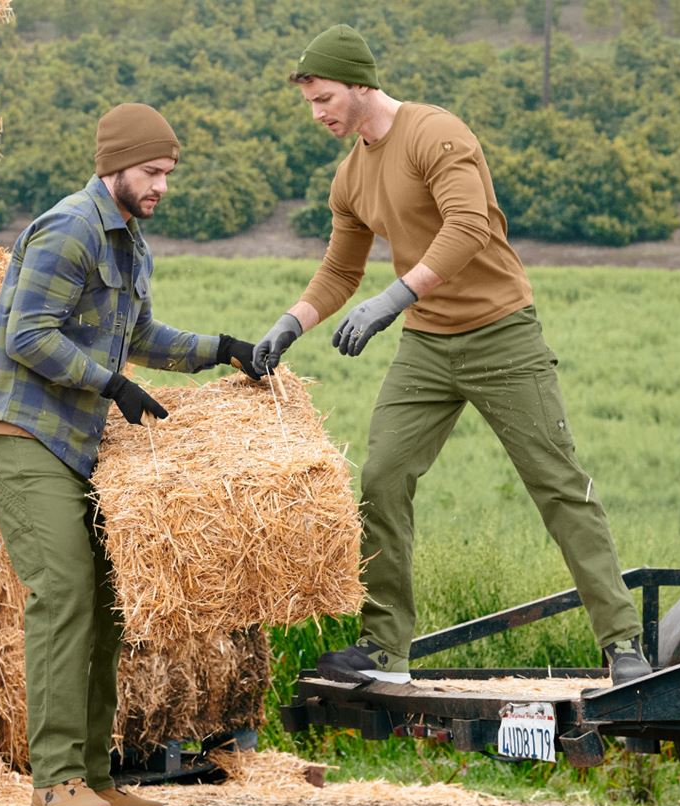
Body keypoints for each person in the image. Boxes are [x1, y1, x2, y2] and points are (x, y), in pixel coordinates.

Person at [253, 25, 652, 688]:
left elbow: (467, 228)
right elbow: (339, 271)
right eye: (309, 104)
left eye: (325, 98)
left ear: (360, 84)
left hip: (502, 334)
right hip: (427, 347)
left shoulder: (437, 134)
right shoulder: (351, 174)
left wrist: (392, 301)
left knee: (558, 485)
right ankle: (387, 652)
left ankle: (623, 645)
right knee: (382, 475)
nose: (318, 113)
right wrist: (289, 324)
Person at [0, 103, 260, 806]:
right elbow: (29, 334)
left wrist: (222, 347)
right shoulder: (70, 228)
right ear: (116, 165)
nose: (162, 185)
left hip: (72, 445)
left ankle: (92, 775)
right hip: (21, 432)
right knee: (63, 592)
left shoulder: (130, 242)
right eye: (153, 172)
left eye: (168, 174)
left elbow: (144, 332)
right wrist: (111, 382)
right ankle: (54, 783)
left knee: (102, 607)